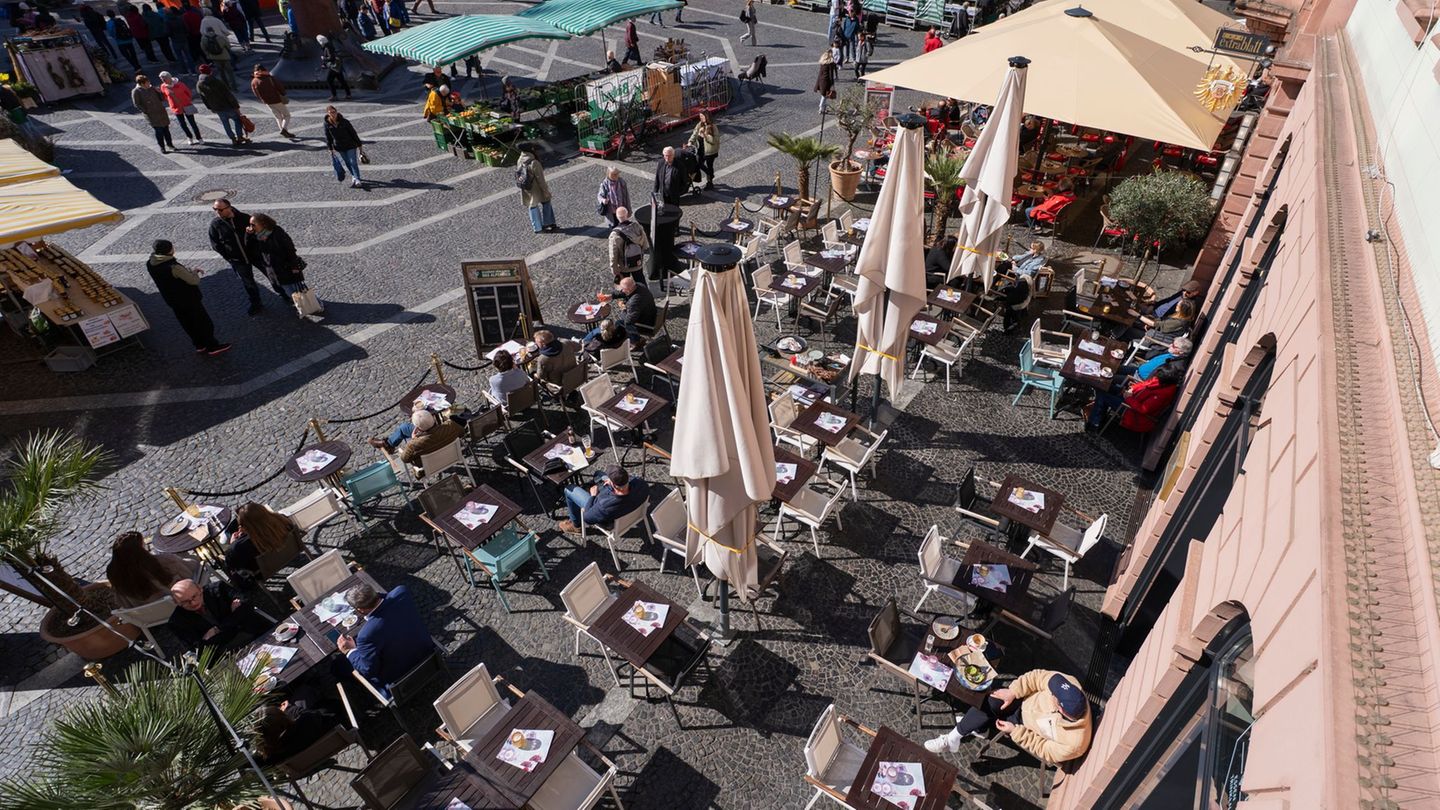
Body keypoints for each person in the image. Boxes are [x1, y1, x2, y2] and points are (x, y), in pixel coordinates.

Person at [924, 669, 1092, 765]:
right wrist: (1013, 692)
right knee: (992, 700)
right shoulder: (1070, 685)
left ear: (1061, 709)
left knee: (988, 710)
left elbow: (1044, 750)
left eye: (1054, 696)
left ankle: (969, 731)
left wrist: (1017, 732)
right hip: (1022, 699)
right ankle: (956, 737)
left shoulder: (1074, 743)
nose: (1052, 693)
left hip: (1022, 726)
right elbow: (1037, 677)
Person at [336, 583, 434, 697]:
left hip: (400, 679)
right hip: (427, 653)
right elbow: (387, 597)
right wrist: (373, 596)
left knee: (339, 666)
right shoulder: (402, 592)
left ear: (360, 610)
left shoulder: (366, 635)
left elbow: (368, 670)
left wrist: (350, 651)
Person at [147, 239, 229, 354]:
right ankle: (212, 346)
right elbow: (193, 281)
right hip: (188, 299)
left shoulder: (150, 264)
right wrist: (194, 273)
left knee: (187, 323)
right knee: (203, 322)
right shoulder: (173, 267)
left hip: (172, 300)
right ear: (169, 250)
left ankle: (199, 345)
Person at [168, 577, 270, 652]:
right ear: (176, 603)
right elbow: (199, 647)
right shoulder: (176, 621)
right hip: (226, 652)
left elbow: (247, 603)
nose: (193, 603)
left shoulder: (218, 589)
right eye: (185, 602)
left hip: (253, 632)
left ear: (200, 588)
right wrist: (234, 618)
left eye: (194, 596)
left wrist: (218, 629)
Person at [246, 213, 320, 315]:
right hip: (274, 270)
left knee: (299, 289)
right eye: (250, 224)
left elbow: (290, 249)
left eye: (253, 224)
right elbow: (248, 247)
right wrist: (248, 235)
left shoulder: (277, 232)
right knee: (290, 292)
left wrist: (294, 266)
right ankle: (304, 307)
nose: (251, 227)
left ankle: (316, 305)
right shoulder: (255, 236)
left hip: (287, 267)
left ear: (262, 223)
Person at [105, 531, 195, 608]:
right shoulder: (163, 562)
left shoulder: (117, 579)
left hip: (155, 614)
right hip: (185, 602)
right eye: (143, 545)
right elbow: (191, 571)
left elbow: (124, 604)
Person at [1086, 364, 1182, 432]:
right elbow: (1144, 384)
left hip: (1133, 412)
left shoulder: (1162, 394)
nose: (1155, 377)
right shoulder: (1161, 381)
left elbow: (1143, 409)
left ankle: (1094, 424)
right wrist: (1132, 388)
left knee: (1103, 395)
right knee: (1106, 387)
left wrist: (1128, 398)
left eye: (1157, 377)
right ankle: (1099, 416)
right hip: (1131, 398)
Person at [225, 501, 301, 585]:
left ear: (247, 526)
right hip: (289, 552)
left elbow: (231, 564)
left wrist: (232, 544)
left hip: (263, 571)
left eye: (241, 525)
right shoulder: (283, 520)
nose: (240, 527)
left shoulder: (239, 547)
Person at [558, 466, 650, 534]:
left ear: (613, 485)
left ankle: (576, 526)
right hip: (630, 509)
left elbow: (587, 518)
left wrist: (593, 496)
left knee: (569, 489)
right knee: (598, 474)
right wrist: (610, 483)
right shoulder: (642, 484)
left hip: (608, 519)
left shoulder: (604, 506)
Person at [367, 406, 463, 463]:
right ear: (433, 418)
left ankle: (389, 444)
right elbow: (462, 432)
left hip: (430, 462)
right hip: (451, 454)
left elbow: (404, 459)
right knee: (404, 428)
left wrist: (414, 439)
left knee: (404, 428)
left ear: (418, 429)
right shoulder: (451, 426)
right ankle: (388, 443)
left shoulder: (413, 445)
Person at [196, 63, 247, 146]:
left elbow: (203, 99)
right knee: (237, 120)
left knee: (225, 123)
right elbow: (228, 94)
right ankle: (240, 137)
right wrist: (236, 105)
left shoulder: (199, 84)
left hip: (217, 108)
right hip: (227, 106)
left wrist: (210, 108)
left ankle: (233, 139)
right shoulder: (216, 81)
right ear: (210, 71)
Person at [131, 74, 176, 153]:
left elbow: (162, 98)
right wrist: (146, 111)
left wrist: (159, 92)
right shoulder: (136, 91)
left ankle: (170, 145)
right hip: (151, 115)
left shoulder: (152, 88)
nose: (149, 83)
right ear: (142, 84)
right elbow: (137, 104)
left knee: (166, 130)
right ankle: (162, 147)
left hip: (161, 112)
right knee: (159, 131)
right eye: (147, 82)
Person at [518, 144, 557, 233]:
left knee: (532, 206)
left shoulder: (520, 160)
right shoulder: (534, 162)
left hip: (527, 187)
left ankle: (537, 228)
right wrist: (546, 191)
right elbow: (540, 179)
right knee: (546, 202)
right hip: (536, 188)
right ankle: (549, 223)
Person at [323, 105, 364, 188]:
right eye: (331, 113)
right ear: (328, 114)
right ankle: (353, 175)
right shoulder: (327, 124)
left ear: (336, 111)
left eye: (334, 112)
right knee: (347, 162)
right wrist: (330, 148)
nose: (333, 114)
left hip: (350, 145)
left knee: (353, 162)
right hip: (339, 147)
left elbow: (353, 133)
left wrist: (359, 145)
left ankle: (357, 179)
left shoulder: (344, 122)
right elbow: (328, 137)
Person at [157, 72, 203, 146]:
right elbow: (165, 96)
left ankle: (199, 137)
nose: (163, 80)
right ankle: (189, 137)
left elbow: (188, 92)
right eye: (161, 79)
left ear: (169, 77)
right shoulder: (163, 86)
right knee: (183, 124)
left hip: (186, 105)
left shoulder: (180, 84)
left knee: (192, 123)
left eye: (164, 79)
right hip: (176, 107)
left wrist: (187, 100)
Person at [607, 206, 649, 283]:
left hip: (624, 265)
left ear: (617, 217)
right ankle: (644, 290)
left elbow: (613, 254)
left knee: (625, 284)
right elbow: (645, 244)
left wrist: (614, 268)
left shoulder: (615, 235)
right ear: (627, 215)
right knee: (640, 280)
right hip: (637, 261)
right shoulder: (637, 227)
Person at [250, 65, 293, 138]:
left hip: (267, 102)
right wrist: (283, 93)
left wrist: (263, 99)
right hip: (276, 100)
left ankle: (284, 132)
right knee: (287, 115)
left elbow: (256, 94)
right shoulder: (270, 78)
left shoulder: (254, 81)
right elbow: (280, 87)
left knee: (278, 117)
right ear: (264, 70)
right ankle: (284, 130)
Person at [199, 10, 237, 90]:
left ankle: (226, 86)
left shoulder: (204, 38)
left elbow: (203, 47)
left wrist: (208, 54)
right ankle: (233, 86)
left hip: (214, 57)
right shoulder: (219, 33)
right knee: (229, 72)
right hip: (224, 55)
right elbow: (227, 42)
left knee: (221, 72)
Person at [612, 275, 656, 339]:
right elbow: (625, 292)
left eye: (622, 289)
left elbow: (628, 321)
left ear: (628, 290)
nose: (622, 291)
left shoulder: (634, 302)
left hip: (646, 324)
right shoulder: (639, 285)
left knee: (619, 323)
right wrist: (612, 296)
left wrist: (623, 309)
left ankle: (636, 340)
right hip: (651, 313)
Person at [688, 113, 719, 191]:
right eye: (700, 116)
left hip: (710, 151)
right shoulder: (700, 124)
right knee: (698, 163)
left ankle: (710, 182)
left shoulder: (712, 126)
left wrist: (704, 136)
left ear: (707, 116)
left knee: (709, 165)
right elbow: (695, 133)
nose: (701, 118)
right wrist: (690, 141)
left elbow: (714, 141)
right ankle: (709, 174)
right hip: (700, 149)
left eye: (702, 116)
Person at [316, 34, 351, 101]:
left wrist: (324, 58)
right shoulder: (329, 45)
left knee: (329, 80)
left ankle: (334, 95)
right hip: (337, 66)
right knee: (341, 80)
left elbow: (331, 58)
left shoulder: (327, 48)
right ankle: (348, 94)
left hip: (334, 67)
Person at [165, 4, 196, 75]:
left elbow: (168, 33)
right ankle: (193, 70)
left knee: (180, 57)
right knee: (188, 55)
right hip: (183, 39)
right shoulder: (180, 19)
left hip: (175, 41)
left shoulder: (167, 22)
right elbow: (186, 28)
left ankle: (185, 71)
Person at [814, 50, 837, 114]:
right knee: (824, 96)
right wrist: (832, 84)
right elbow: (831, 75)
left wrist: (817, 84)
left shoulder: (822, 64)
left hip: (821, 81)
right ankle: (821, 108)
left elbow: (820, 74)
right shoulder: (830, 64)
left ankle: (823, 108)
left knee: (824, 95)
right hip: (827, 82)